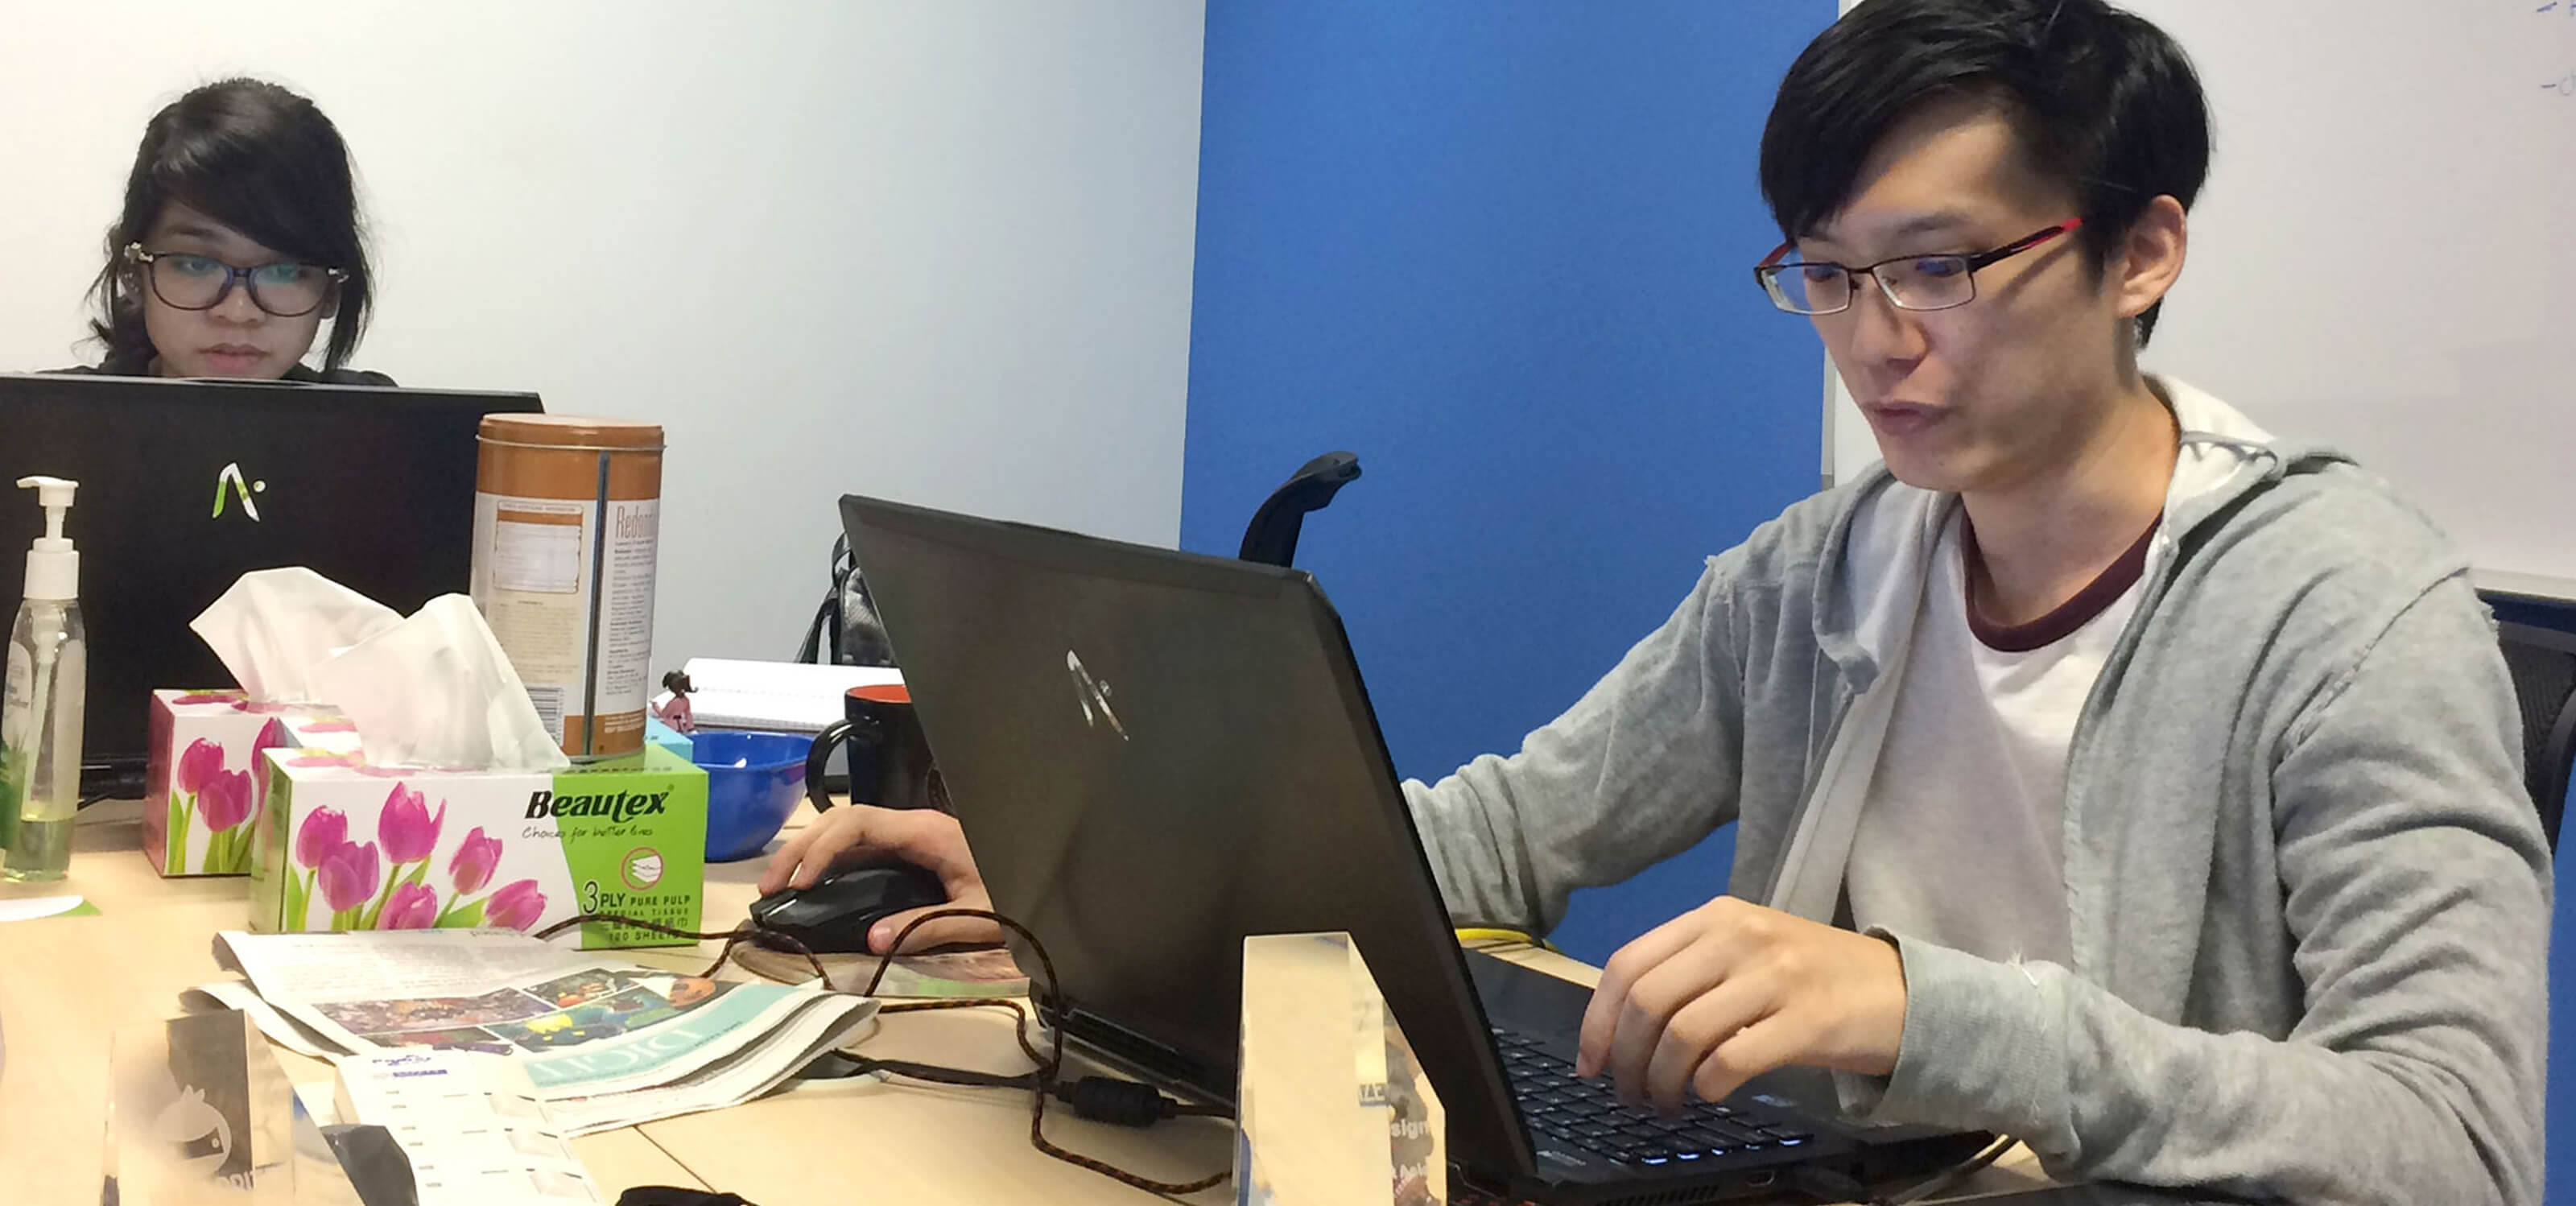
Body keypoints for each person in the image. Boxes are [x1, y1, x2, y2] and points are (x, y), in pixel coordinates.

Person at [764, 2, 2551, 1200]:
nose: (1877, 340)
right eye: (1830, 276)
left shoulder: (2344, 613)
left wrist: (1927, 1008)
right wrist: (1078, 863)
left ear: (2140, 248)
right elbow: (1489, 839)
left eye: (1938, 266)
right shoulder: (1827, 568)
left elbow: (2451, 1137)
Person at [66, 77, 390, 384]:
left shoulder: (386, 428)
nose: (239, 312)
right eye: (197, 265)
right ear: (133, 274)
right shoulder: (43, 421)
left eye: (284, 271)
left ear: (332, 290)